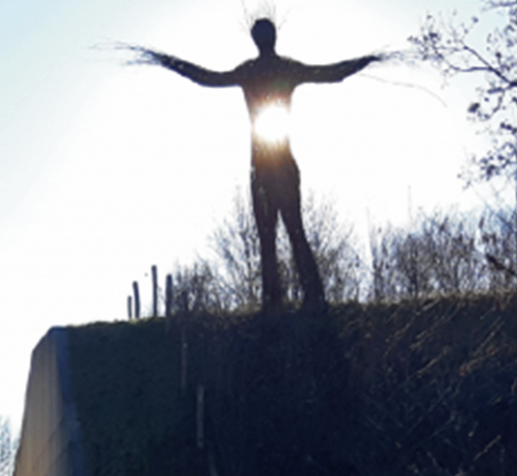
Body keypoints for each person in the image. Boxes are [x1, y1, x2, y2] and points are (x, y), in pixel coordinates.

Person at [143, 19, 380, 311]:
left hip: (262, 168)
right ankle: (310, 297)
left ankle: (274, 301)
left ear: (256, 40)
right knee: (294, 230)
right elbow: (332, 74)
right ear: (273, 37)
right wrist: (366, 61)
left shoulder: (249, 71)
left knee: (268, 236)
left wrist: (171, 63)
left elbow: (207, 78)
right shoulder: (286, 68)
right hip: (282, 163)